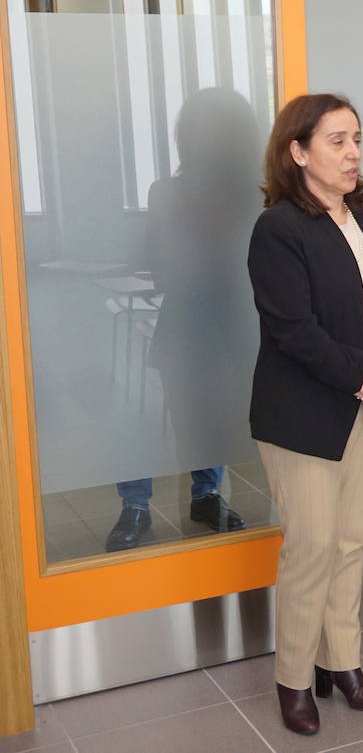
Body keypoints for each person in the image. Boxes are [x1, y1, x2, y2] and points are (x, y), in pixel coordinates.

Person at [248, 93, 363, 735]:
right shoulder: (279, 228)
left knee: (350, 542)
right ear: (298, 151)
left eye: (357, 139)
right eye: (337, 141)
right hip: (306, 411)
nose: (353, 154)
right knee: (312, 548)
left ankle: (341, 663)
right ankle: (294, 678)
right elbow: (294, 330)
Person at [105, 88, 258, 552]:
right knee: (149, 415)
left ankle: (204, 496)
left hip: (236, 327)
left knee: (210, 418)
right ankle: (136, 504)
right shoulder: (169, 192)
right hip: (188, 326)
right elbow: (160, 262)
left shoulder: (256, 196)